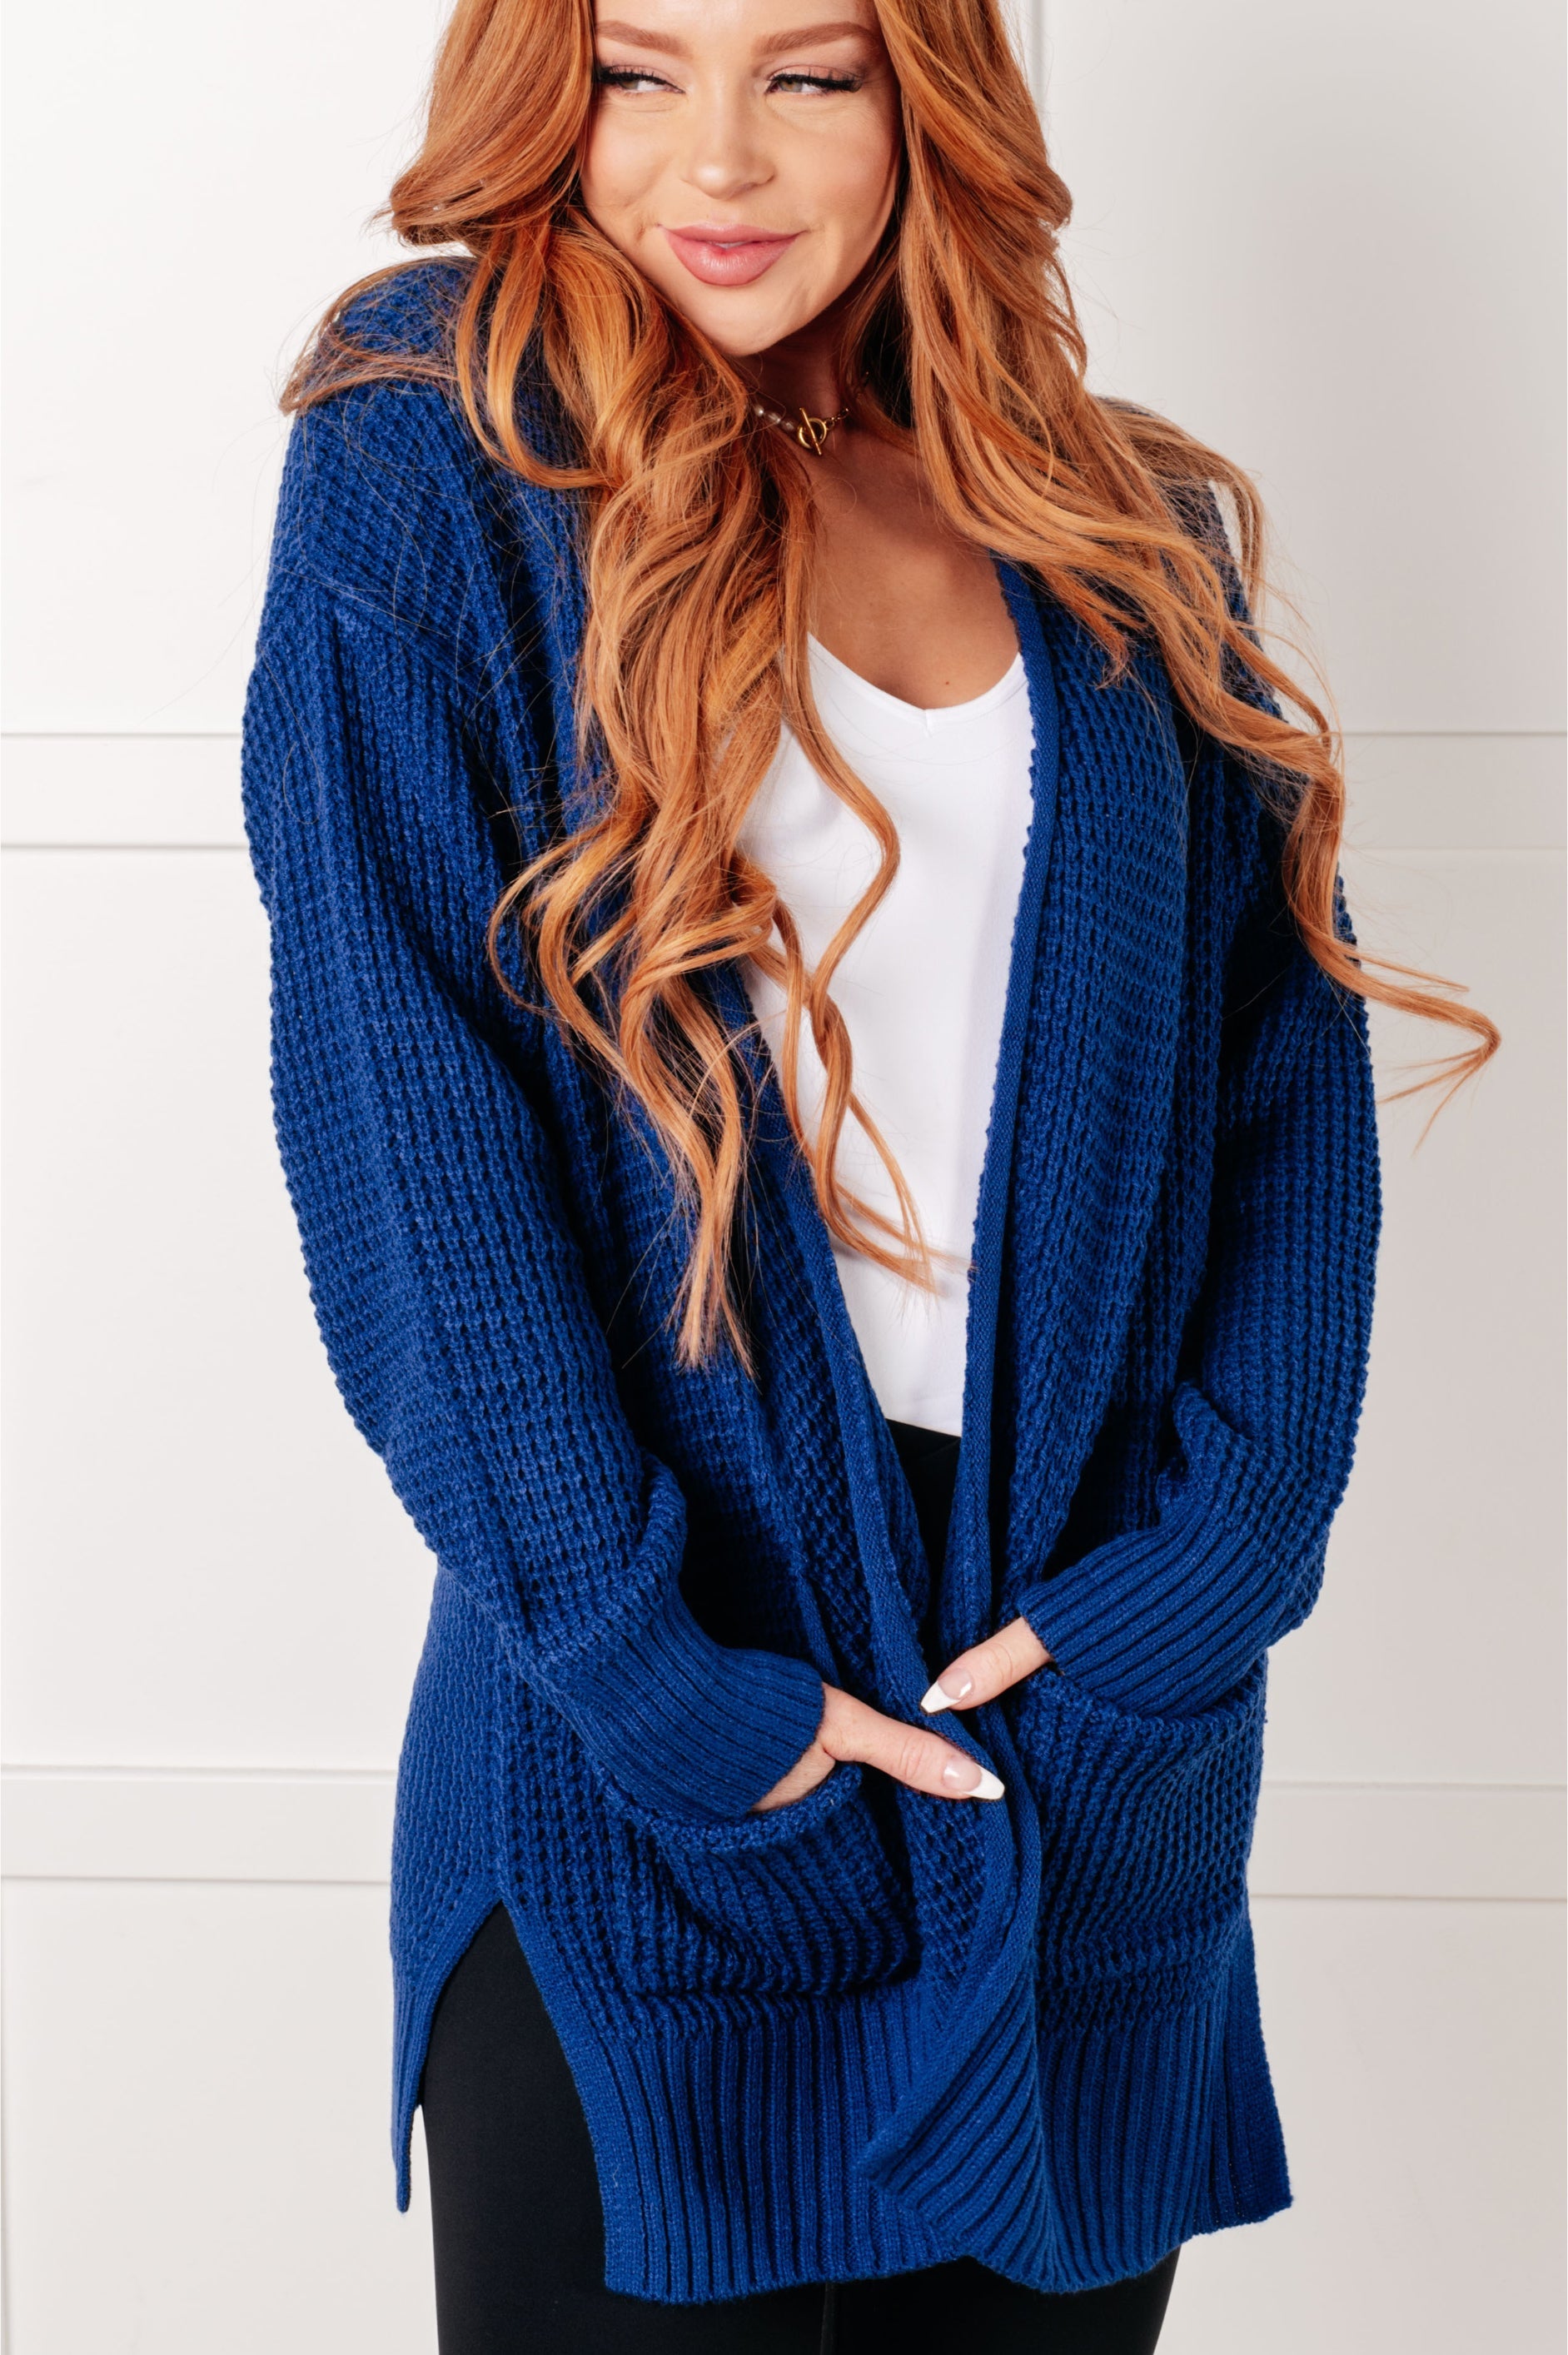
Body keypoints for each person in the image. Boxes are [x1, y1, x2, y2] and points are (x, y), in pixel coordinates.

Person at [239, 1, 1496, 2348]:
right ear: (545, 93)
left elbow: (1275, 1087)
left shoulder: (1122, 526)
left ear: (929, 102)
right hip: (648, 1744)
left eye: (808, 74)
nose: (716, 158)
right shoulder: (435, 453)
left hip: (1069, 1740)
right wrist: (650, 1667)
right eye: (638, 72)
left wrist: (1213, 1561)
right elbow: (412, 1123)